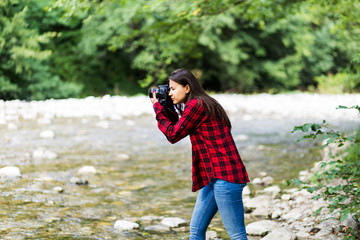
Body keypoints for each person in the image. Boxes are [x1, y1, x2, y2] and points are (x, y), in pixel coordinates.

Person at [150, 68, 250, 240]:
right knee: (196, 231)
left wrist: (157, 108)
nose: (170, 93)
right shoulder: (200, 103)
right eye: (169, 89)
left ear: (187, 88)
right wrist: (164, 106)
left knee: (237, 235)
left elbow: (174, 135)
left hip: (226, 177)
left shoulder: (197, 105)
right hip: (213, 177)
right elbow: (178, 126)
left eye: (173, 89)